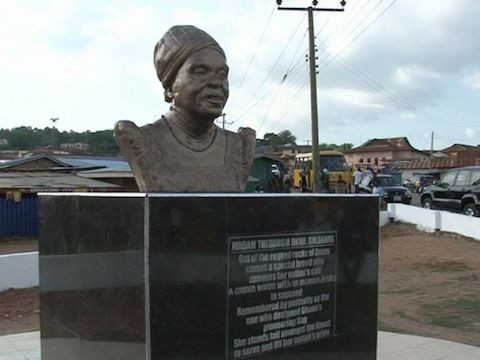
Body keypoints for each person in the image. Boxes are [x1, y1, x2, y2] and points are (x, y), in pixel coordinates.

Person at [114, 25, 255, 192]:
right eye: (200, 72)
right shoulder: (143, 141)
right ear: (170, 87)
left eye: (222, 75)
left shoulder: (239, 146)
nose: (216, 83)